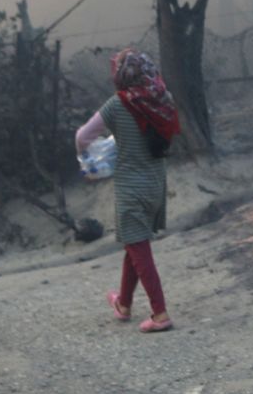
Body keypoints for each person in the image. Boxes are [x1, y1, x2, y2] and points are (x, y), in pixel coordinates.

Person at [75, 48, 179, 333]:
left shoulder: (117, 104)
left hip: (131, 186)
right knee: (135, 242)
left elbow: (83, 136)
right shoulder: (162, 99)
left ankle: (160, 314)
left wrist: (87, 160)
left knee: (139, 248)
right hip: (156, 183)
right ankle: (123, 304)